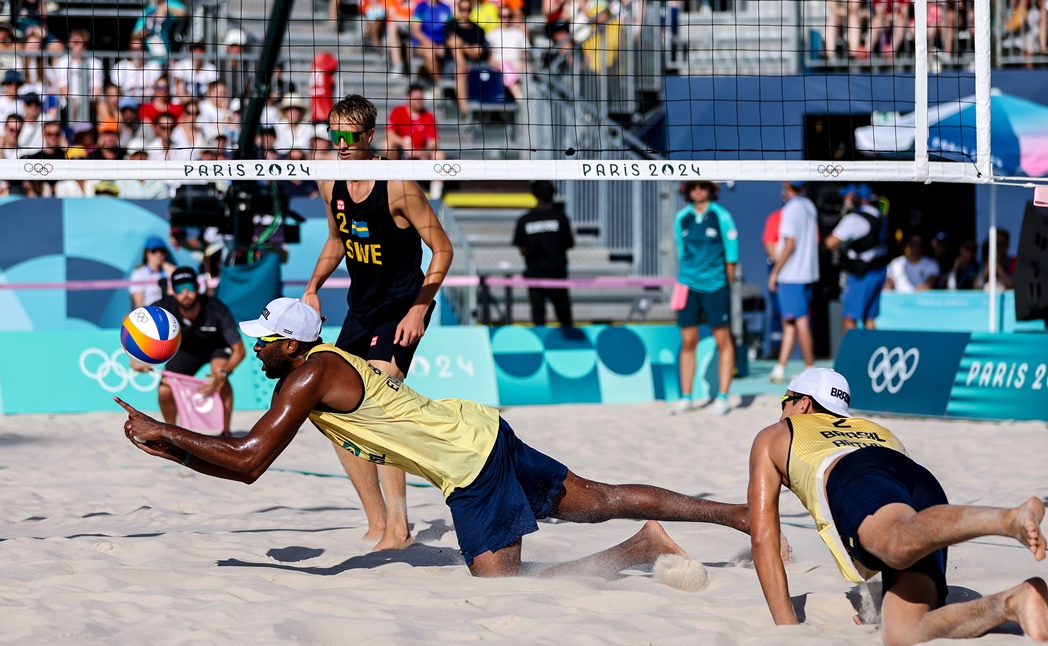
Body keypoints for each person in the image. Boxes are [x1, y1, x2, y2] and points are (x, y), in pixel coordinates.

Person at [116, 297, 763, 578]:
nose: (256, 350)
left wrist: (164, 428)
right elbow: (244, 460)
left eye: (263, 341)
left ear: (292, 343)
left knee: (505, 589)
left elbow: (250, 460)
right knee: (596, 497)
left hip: (467, 461)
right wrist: (174, 447)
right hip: (478, 426)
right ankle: (738, 515)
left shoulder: (309, 373)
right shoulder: (318, 370)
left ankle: (637, 552)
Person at [747, 367, 1048, 646]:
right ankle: (1013, 602)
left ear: (802, 403)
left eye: (784, 401)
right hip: (919, 481)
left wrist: (786, 627)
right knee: (902, 633)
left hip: (855, 474)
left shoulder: (775, 434)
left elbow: (763, 539)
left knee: (896, 543)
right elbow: (894, 494)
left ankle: (1007, 519)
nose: (781, 410)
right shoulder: (875, 428)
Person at [302, 94, 454, 552]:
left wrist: (419, 309)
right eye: (334, 134)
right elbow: (336, 240)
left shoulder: (400, 186)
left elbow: (443, 249)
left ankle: (400, 528)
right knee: (328, 407)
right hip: (359, 308)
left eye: (349, 135)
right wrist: (312, 288)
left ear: (370, 136)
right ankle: (377, 521)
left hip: (400, 307)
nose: (341, 143)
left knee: (382, 401)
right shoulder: (331, 183)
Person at [133, 267, 246, 436]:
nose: (185, 293)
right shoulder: (164, 308)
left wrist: (224, 373)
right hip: (187, 351)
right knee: (164, 388)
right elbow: (136, 327)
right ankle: (170, 432)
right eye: (179, 288)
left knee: (220, 377)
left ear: (198, 287)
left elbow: (240, 350)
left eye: (189, 287)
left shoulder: (216, 309)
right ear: (173, 290)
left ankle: (226, 432)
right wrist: (136, 357)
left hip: (216, 348)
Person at [669, 180, 738, 416]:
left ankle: (723, 397)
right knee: (688, 341)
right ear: (687, 190)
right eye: (693, 186)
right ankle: (686, 397)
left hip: (716, 286)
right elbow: (682, 252)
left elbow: (732, 256)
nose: (697, 189)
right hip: (688, 285)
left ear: (711, 189)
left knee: (723, 340)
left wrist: (723, 285)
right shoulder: (682, 218)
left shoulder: (722, 216)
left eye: (703, 185)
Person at [768, 181, 819, 383]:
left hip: (792, 275)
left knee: (800, 321)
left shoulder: (791, 209)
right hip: (806, 273)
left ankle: (810, 369)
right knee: (790, 322)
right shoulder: (810, 206)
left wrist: (775, 272)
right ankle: (780, 368)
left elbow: (789, 244)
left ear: (788, 187)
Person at [823, 183, 890, 334]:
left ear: (857, 199)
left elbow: (829, 243)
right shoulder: (880, 216)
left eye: (847, 197)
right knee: (869, 319)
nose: (844, 200)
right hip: (878, 272)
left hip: (862, 274)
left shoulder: (854, 220)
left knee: (849, 319)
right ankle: (873, 356)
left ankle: (851, 357)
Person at [511, 179, 575, 328]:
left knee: (538, 317)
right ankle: (569, 347)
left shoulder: (525, 220)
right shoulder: (560, 217)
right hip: (555, 273)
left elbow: (522, 248)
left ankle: (542, 345)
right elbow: (569, 244)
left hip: (537, 274)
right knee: (564, 316)